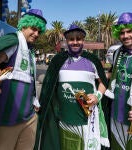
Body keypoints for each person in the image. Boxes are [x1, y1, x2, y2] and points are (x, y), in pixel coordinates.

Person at [34, 24, 110, 150]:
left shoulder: (93, 60)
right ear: (66, 41)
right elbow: (48, 88)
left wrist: (97, 96)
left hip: (88, 121)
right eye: (71, 39)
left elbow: (103, 83)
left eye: (78, 39)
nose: (75, 42)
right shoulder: (58, 60)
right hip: (65, 121)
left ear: (83, 40)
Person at [0, 8, 47, 150]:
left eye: (39, 31)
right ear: (24, 25)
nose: (36, 34)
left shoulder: (30, 52)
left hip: (29, 120)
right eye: (33, 29)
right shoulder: (14, 41)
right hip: (4, 123)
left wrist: (34, 100)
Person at [104, 12, 132, 150]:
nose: (126, 36)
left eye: (129, 31)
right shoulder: (117, 52)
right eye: (122, 32)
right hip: (116, 115)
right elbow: (110, 75)